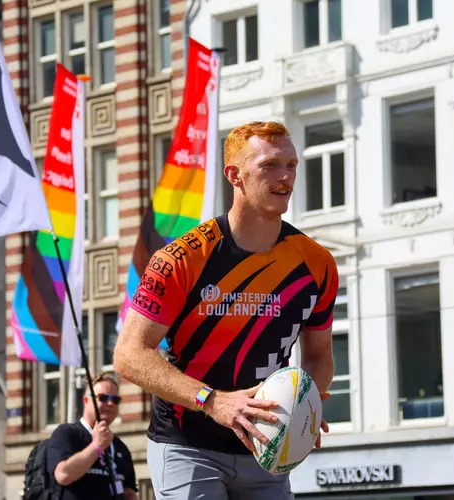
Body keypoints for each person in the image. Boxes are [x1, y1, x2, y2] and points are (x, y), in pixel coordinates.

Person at [114, 121, 339, 499]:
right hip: (186, 443)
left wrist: (307, 405)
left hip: (265, 450)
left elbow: (320, 356)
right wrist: (212, 401)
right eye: (269, 165)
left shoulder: (317, 263)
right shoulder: (180, 259)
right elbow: (128, 354)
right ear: (234, 175)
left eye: (291, 165)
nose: (285, 176)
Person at [46, 373, 139, 500]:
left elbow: (128, 492)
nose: (110, 403)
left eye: (115, 400)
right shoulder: (67, 433)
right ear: (86, 400)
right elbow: (63, 475)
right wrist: (97, 446)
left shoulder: (120, 447)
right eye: (103, 398)